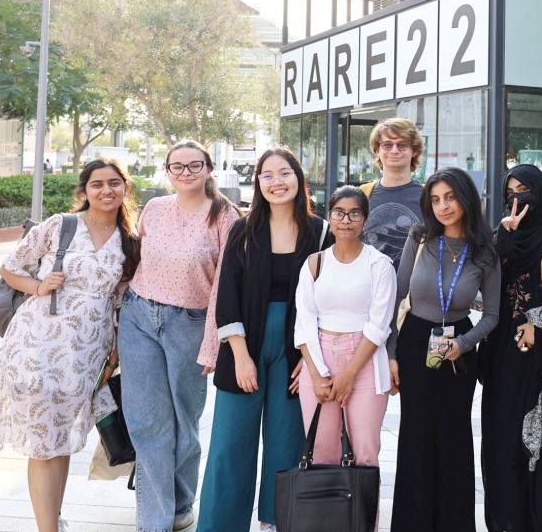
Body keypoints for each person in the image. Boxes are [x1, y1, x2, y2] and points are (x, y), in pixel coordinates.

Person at [0, 158, 140, 532]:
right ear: (84, 190)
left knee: (60, 438)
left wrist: (113, 359)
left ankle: (54, 519)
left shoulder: (129, 241)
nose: (106, 190)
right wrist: (38, 286)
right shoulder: (60, 225)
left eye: (114, 183)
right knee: (43, 440)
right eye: (97, 184)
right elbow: (10, 267)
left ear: (124, 188)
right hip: (36, 345)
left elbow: (122, 303)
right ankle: (48, 528)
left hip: (87, 354)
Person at [197, 147, 332, 532]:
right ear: (258, 182)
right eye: (267, 175)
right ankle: (221, 525)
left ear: (298, 178)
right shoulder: (243, 229)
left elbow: (327, 298)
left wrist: (310, 358)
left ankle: (277, 521)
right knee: (229, 445)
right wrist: (240, 356)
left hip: (296, 348)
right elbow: (227, 296)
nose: (277, 182)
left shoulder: (320, 231)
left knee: (287, 442)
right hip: (245, 345)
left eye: (285, 173)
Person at [119, 140, 239, 532]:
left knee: (185, 422)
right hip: (139, 316)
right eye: (177, 166)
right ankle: (154, 520)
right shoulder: (154, 208)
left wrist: (212, 343)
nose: (185, 173)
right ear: (167, 171)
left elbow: (224, 285)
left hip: (190, 323)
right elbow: (134, 258)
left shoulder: (225, 217)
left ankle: (182, 502)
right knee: (148, 421)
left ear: (208, 169)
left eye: (194, 165)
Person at [387, 167, 500, 532]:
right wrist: (390, 353)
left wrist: (463, 344)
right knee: (415, 435)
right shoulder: (419, 237)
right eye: (435, 200)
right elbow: (397, 295)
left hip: (458, 348)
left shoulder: (485, 252)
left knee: (454, 438)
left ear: (466, 199)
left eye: (450, 197)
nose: (443, 206)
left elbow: (493, 315)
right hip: (415, 341)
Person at [481, 164, 542, 532]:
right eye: (510, 192)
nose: (517, 198)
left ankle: (540, 520)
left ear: (540, 193)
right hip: (503, 354)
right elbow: (483, 283)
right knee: (502, 437)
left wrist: (538, 322)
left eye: (524, 190)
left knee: (540, 439)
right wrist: (504, 236)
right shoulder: (501, 236)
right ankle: (506, 520)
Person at [294, 185, 395, 469]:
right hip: (320, 358)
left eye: (354, 213)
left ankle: (362, 503)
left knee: (364, 454)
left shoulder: (379, 265)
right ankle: (328, 503)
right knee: (322, 453)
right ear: (329, 217)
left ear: (365, 219)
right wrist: (316, 374)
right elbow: (303, 324)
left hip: (365, 361)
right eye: (339, 212)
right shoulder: (314, 264)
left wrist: (349, 374)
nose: (346, 220)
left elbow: (379, 326)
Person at [362, 117, 426, 270]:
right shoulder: (362, 194)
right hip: (368, 281)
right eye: (387, 145)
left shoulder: (429, 196)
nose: (394, 150)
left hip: (414, 283)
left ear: (414, 151)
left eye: (402, 145)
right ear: (377, 150)